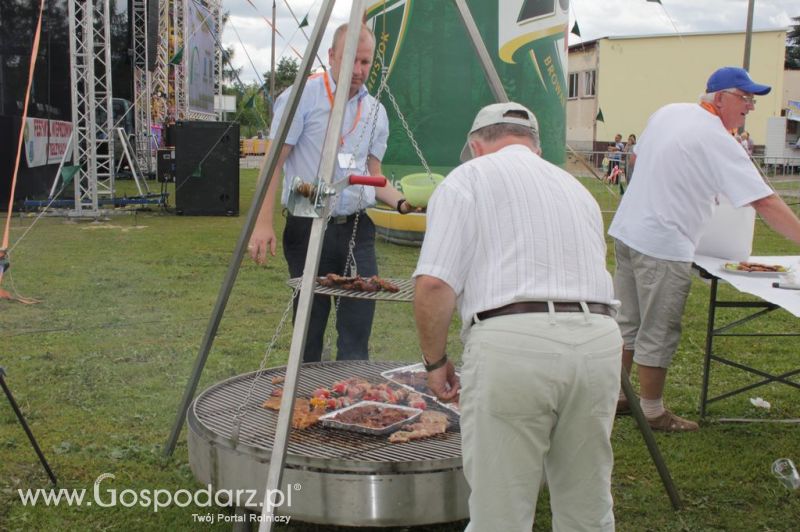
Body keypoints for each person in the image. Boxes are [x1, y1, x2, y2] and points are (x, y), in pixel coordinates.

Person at [414, 102, 621, 531]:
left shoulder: (466, 179)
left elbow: (434, 285)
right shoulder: (576, 189)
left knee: (500, 510)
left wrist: (435, 363)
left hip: (514, 345)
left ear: (475, 146)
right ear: (535, 148)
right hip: (599, 342)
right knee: (587, 501)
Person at [609, 66, 800, 431]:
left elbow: (637, 159)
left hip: (628, 231)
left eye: (752, 100)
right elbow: (766, 202)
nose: (750, 107)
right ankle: (651, 411)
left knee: (628, 324)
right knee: (658, 328)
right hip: (663, 244)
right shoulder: (718, 138)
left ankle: (619, 397)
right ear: (719, 98)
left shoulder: (669, 112)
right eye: (744, 99)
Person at [248, 23, 411, 362]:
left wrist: (405, 204)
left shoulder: (376, 112)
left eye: (365, 62)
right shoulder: (302, 96)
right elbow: (273, 165)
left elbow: (373, 176)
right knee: (310, 323)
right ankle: (305, 400)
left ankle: (349, 403)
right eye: (351, 59)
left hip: (356, 228)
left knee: (357, 325)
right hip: (307, 224)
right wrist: (262, 224)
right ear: (332, 56)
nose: (358, 70)